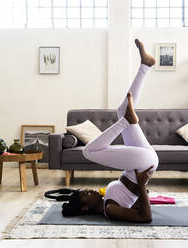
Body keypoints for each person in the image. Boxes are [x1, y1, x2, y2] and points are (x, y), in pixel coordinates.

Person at [61, 39, 158, 223]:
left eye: (86, 190)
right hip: (143, 165)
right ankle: (125, 121)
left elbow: (136, 201)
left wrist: (140, 189)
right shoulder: (111, 209)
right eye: (86, 195)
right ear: (85, 208)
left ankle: (145, 65)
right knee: (88, 151)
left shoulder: (109, 199)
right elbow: (145, 217)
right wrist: (142, 184)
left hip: (142, 162)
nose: (90, 190)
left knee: (121, 110)